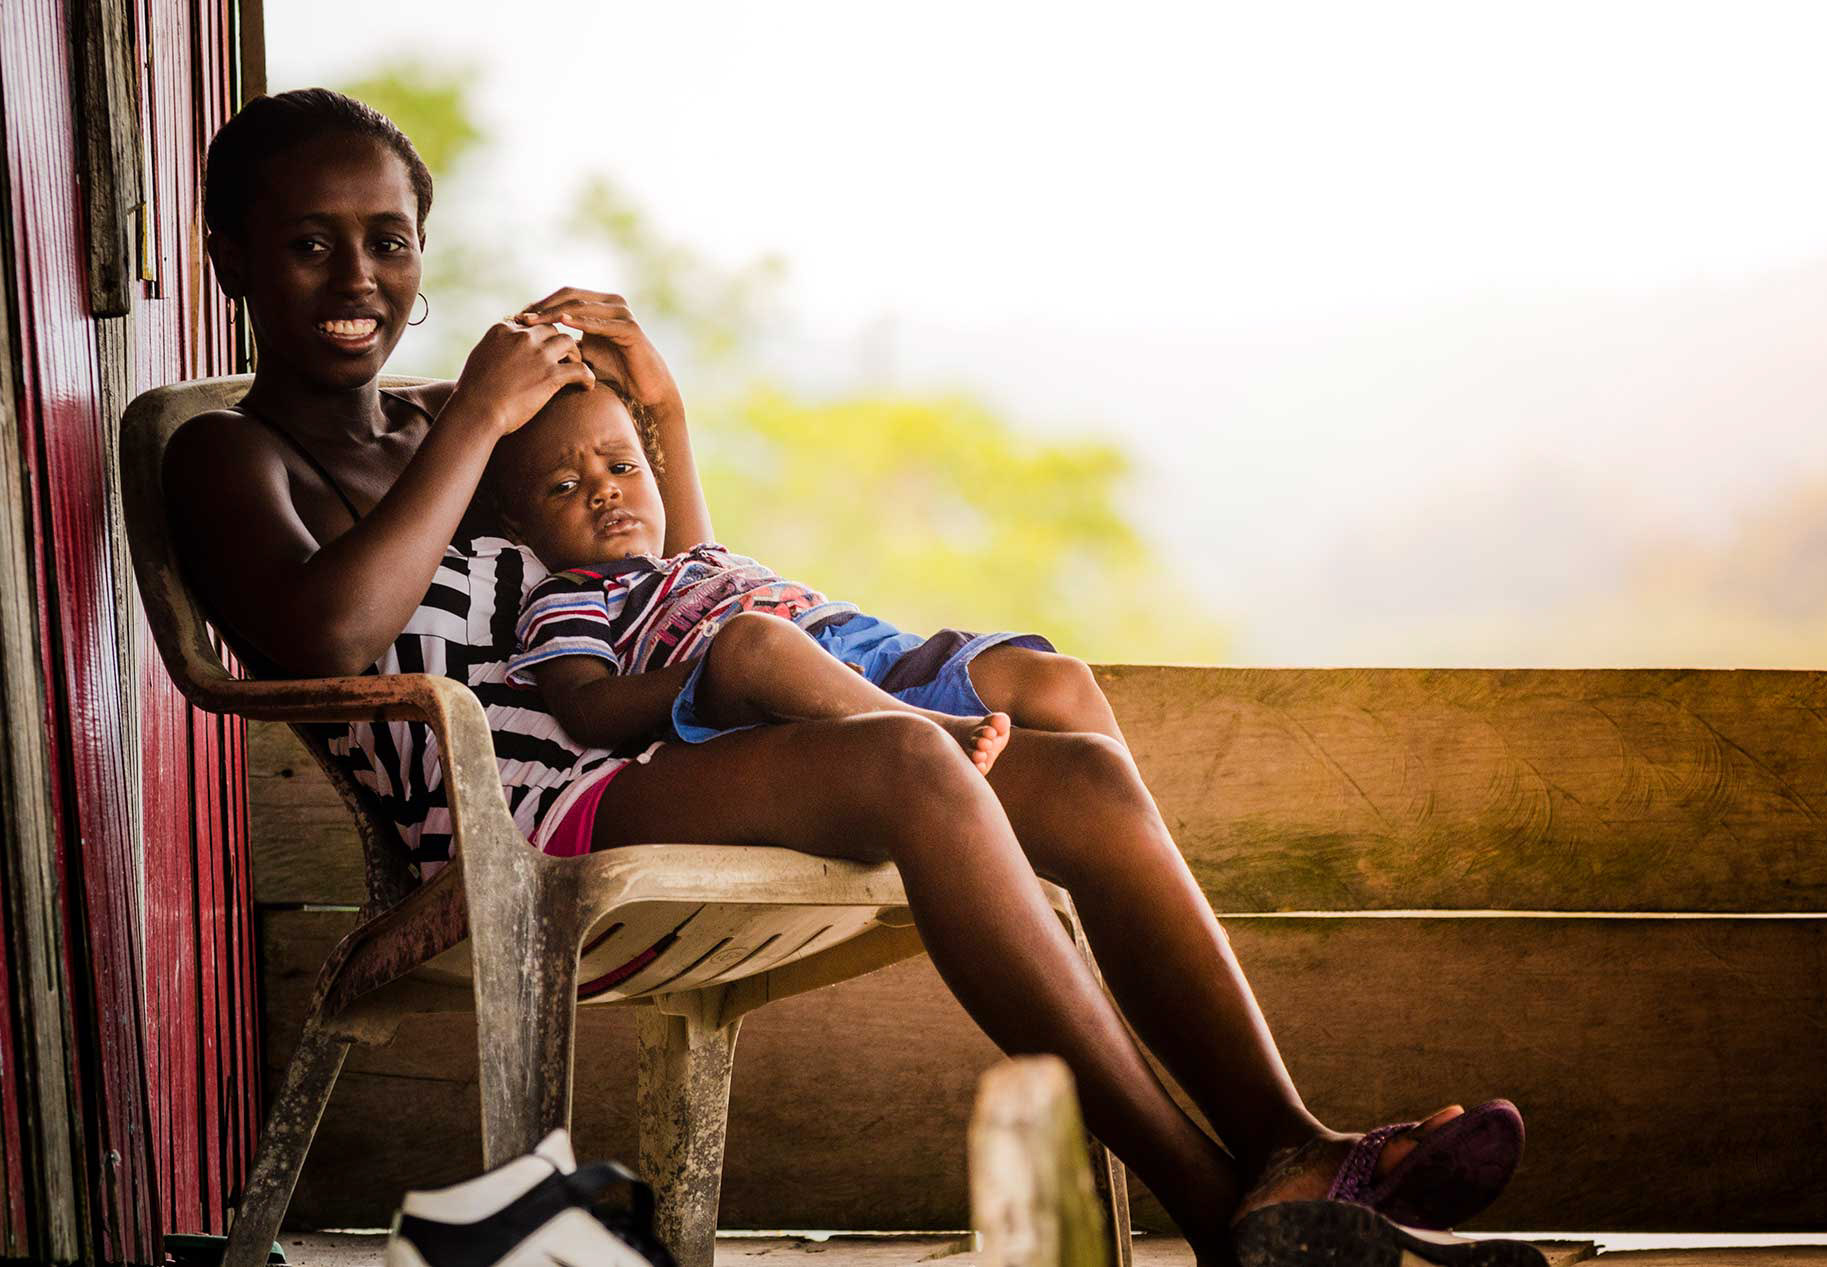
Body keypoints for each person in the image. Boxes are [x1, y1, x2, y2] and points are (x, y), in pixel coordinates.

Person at [169, 88, 1538, 1267]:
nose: (357, 278)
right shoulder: (232, 455)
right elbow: (329, 637)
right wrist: (476, 418)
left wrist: (661, 413)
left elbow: (663, 588)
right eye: (308, 243)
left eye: (389, 239)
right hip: (511, 815)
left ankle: (1292, 1150)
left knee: (1078, 771)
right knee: (906, 760)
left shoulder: (465, 422)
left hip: (642, 749)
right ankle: (1214, 1205)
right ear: (224, 254)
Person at [493, 380, 1040, 790]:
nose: (604, 491)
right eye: (565, 486)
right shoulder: (568, 592)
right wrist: (707, 670)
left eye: (622, 468)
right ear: (519, 523)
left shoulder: (698, 557)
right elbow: (585, 707)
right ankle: (935, 730)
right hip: (751, 685)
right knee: (755, 640)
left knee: (1054, 679)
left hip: (858, 651)